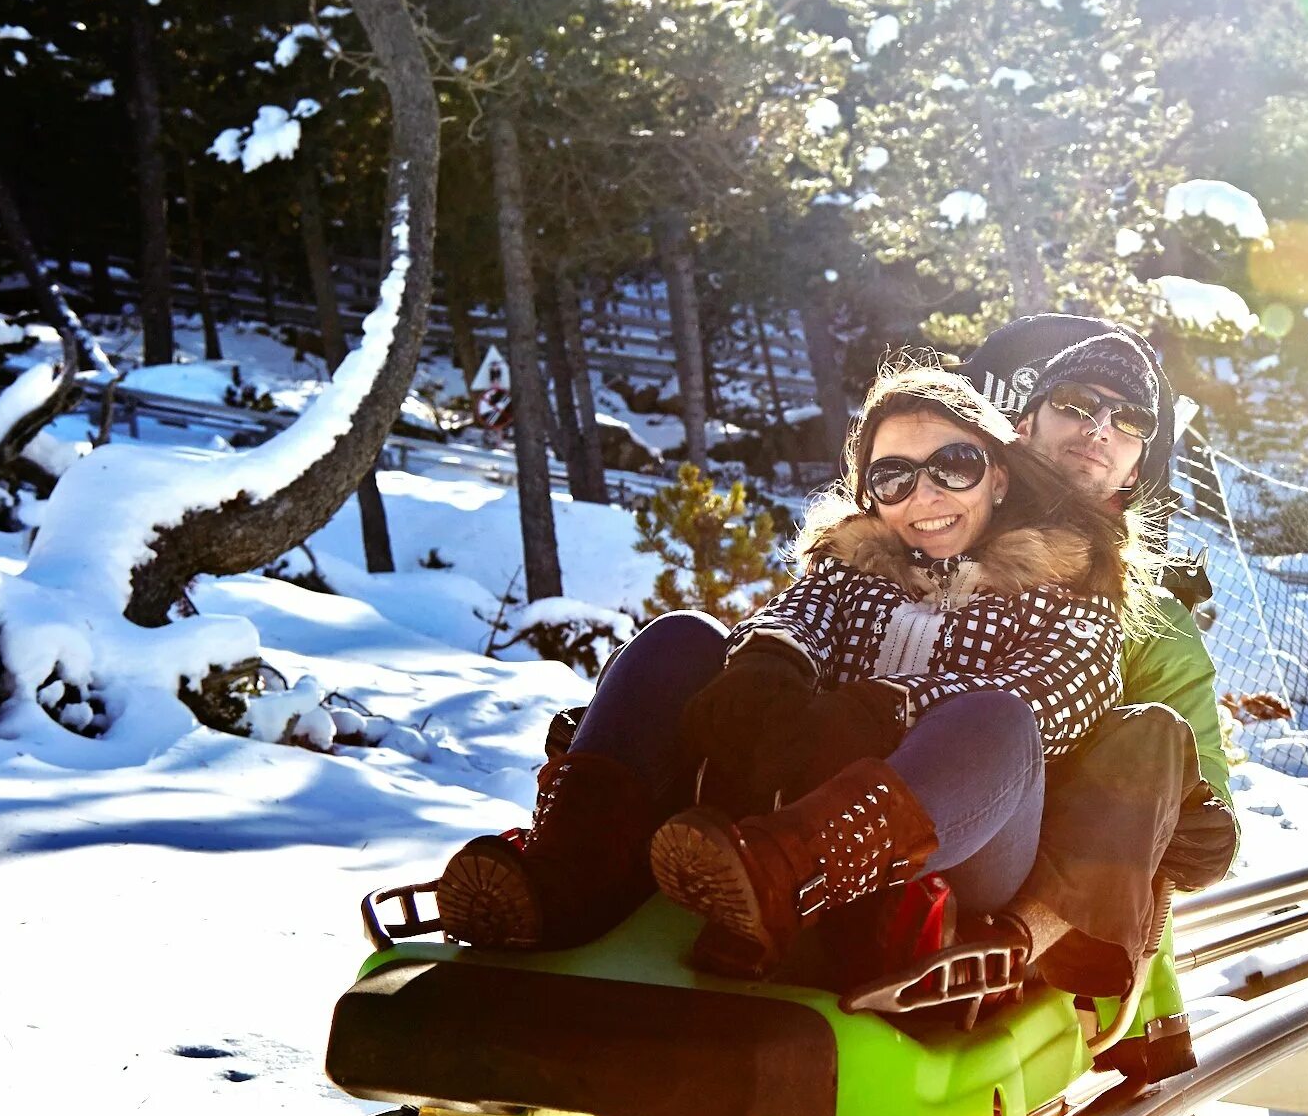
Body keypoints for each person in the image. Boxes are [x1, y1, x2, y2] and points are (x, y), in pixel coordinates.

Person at [436, 364, 1149, 983]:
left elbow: (1059, 693)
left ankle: (780, 885)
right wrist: (768, 662)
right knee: (681, 639)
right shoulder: (851, 565)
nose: (925, 497)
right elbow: (795, 614)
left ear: (997, 475)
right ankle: (566, 872)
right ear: (871, 495)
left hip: (963, 842)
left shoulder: (1066, 590)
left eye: (952, 468)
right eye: (894, 478)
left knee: (997, 715)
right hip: (788, 801)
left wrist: (889, 710)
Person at [960, 317, 1239, 999]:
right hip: (916, 809)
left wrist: (1202, 818)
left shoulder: (1151, 620)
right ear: (1024, 425)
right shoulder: (944, 535)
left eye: (1128, 418)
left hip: (1038, 865)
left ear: (1138, 461)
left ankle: (1023, 941)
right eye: (1077, 404)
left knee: (1148, 733)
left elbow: (1201, 772)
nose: (1100, 427)